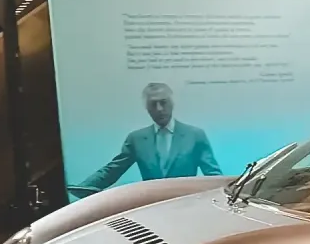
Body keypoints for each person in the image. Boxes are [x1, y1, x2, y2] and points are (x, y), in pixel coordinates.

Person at [71, 82, 221, 196]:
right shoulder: (136, 139)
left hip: (185, 205)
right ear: (147, 108)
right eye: (153, 104)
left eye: (163, 102)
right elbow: (113, 170)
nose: (159, 109)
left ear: (172, 104)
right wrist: (83, 189)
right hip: (151, 208)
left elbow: (213, 175)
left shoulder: (194, 135)